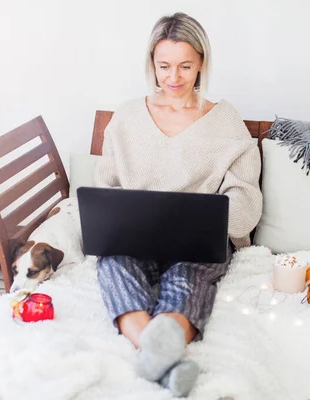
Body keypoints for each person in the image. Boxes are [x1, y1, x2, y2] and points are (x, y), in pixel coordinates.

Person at [94, 12, 262, 397]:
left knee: (188, 277)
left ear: (202, 62)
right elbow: (106, 186)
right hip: (137, 238)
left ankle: (155, 353)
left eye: (185, 66)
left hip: (199, 244)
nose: (173, 78)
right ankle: (168, 363)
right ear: (151, 63)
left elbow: (247, 202)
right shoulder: (127, 118)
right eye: (164, 66)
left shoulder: (225, 122)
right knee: (113, 264)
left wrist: (212, 219)